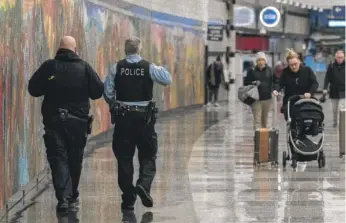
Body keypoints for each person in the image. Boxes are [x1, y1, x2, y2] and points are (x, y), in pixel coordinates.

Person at [28, 36, 104, 213]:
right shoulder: (84, 68)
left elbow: (33, 89)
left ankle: (64, 197)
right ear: (75, 50)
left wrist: (50, 84)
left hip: (54, 122)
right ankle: (71, 195)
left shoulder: (50, 66)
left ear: (59, 49)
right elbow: (97, 92)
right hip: (78, 124)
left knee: (58, 158)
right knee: (75, 159)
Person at [103, 36, 172, 212]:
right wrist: (155, 66)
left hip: (124, 119)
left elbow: (108, 92)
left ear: (125, 50)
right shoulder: (148, 67)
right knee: (148, 154)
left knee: (124, 158)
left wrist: (115, 103)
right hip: (144, 120)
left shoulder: (116, 67)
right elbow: (167, 79)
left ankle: (128, 199)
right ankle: (143, 184)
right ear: (139, 49)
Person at [273, 49, 319, 120]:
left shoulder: (307, 70)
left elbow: (315, 83)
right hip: (290, 101)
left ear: (299, 61)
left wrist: (310, 92)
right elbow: (280, 84)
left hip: (306, 100)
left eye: (295, 64)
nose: (294, 67)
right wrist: (276, 90)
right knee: (291, 120)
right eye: (291, 65)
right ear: (288, 64)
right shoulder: (285, 72)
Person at [244, 52, 279, 130]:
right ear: (256, 61)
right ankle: (257, 138)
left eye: (262, 60)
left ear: (265, 61)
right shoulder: (252, 71)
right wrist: (254, 82)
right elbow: (246, 82)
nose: (260, 62)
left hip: (267, 99)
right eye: (259, 60)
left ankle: (263, 139)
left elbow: (276, 81)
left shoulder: (270, 70)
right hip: (256, 99)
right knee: (257, 120)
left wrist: (275, 89)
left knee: (264, 120)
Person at [323, 50, 345, 127]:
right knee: (334, 109)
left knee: (341, 108)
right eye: (338, 57)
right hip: (333, 91)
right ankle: (335, 122)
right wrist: (325, 88)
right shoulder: (331, 66)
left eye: (341, 57)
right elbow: (327, 78)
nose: (340, 59)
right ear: (336, 58)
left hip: (343, 91)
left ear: (344, 57)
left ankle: (341, 124)